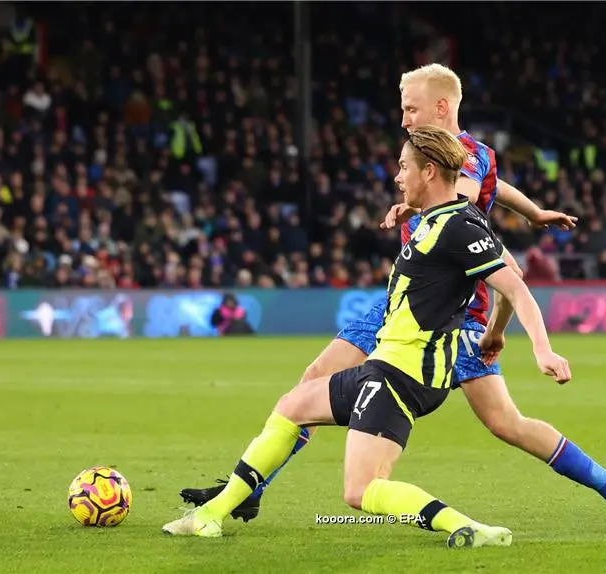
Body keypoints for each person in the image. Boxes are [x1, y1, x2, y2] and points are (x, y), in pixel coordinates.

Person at [181, 64, 606, 529]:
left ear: (441, 108)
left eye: (410, 109)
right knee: (311, 380)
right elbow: (496, 186)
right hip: (397, 306)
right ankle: (249, 488)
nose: (403, 118)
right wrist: (533, 211)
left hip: (450, 317)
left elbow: (472, 188)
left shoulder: (464, 157)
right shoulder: (437, 156)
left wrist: (421, 202)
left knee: (507, 424)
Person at [163, 125, 571, 547]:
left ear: (429, 172)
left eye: (403, 167)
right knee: (293, 405)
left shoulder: (459, 227)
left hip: (403, 375)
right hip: (388, 366)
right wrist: (494, 332)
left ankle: (471, 528)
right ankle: (211, 514)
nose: (397, 177)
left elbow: (515, 286)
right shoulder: (436, 220)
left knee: (360, 491)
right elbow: (505, 284)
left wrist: (542, 349)